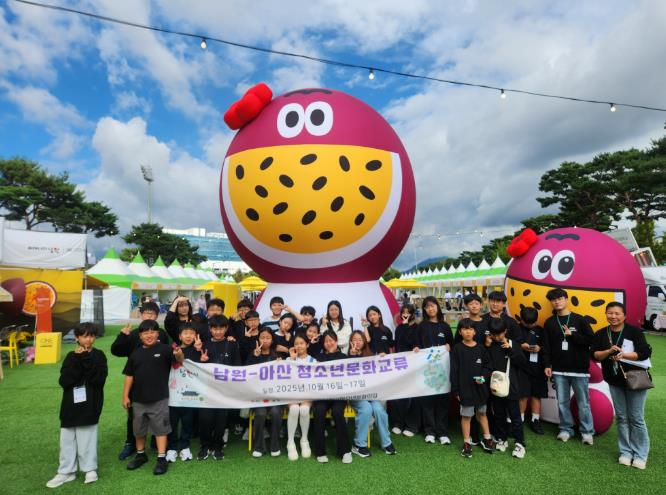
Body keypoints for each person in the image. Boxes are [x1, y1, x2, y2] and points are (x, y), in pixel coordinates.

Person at [46, 323, 108, 488]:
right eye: (84, 336)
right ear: (77, 338)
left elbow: (98, 379)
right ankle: (66, 471)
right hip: (70, 404)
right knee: (67, 439)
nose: (88, 339)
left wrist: (86, 358)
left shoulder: (99, 355)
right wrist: (77, 359)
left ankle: (89, 469)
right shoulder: (70, 356)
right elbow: (65, 381)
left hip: (91, 403)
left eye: (91, 336)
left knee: (87, 437)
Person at [592, 302, 652, 469]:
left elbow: (644, 352)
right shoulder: (601, 333)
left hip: (635, 379)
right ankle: (625, 452)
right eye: (610, 313)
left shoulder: (634, 332)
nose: (613, 316)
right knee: (622, 417)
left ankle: (640, 454)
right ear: (606, 314)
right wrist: (608, 352)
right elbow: (595, 355)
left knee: (636, 418)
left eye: (617, 313)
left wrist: (624, 355)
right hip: (614, 380)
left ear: (624, 316)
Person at [110, 302, 169, 461]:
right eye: (146, 313)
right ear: (141, 315)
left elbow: (168, 354)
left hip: (157, 380)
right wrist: (122, 336)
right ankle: (130, 443)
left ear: (156, 316)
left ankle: (156, 442)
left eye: (152, 314)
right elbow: (116, 351)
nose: (149, 316)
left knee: (157, 414)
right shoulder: (133, 333)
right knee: (134, 416)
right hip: (136, 379)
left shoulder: (162, 334)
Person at [122, 320, 178, 475]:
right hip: (138, 399)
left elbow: (179, 360)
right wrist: (125, 396)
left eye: (152, 332)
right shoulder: (135, 353)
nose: (149, 335)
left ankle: (161, 458)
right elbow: (129, 375)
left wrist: (179, 353)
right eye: (145, 332)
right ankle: (141, 455)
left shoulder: (166, 349)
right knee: (138, 430)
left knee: (160, 429)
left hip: (160, 398)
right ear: (140, 336)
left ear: (158, 334)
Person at [542, 288, 595, 445]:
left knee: (583, 403)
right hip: (559, 369)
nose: (557, 302)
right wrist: (547, 364)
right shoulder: (550, 322)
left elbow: (591, 340)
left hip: (579, 370)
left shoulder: (580, 320)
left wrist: (573, 335)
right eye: (553, 300)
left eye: (560, 298)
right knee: (562, 402)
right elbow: (546, 346)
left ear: (566, 299)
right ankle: (566, 429)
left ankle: (587, 432)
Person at [197, 315, 241, 460]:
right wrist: (201, 360)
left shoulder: (232, 344)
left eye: (221, 328)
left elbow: (237, 366)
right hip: (207, 389)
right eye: (215, 329)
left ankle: (218, 446)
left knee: (221, 420)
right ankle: (205, 446)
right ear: (210, 329)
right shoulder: (204, 345)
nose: (218, 332)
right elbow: (196, 368)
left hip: (224, 390)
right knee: (204, 418)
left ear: (226, 328)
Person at [348, 331, 396, 457]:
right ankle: (359, 445)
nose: (357, 342)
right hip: (356, 396)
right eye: (354, 339)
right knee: (366, 409)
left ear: (364, 341)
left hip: (371, 394)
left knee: (379, 410)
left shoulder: (370, 356)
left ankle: (386, 442)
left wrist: (383, 358)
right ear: (350, 342)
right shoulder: (346, 356)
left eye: (360, 339)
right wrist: (352, 356)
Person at [414, 296, 454, 445]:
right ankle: (430, 431)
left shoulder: (445, 326)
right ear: (424, 310)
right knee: (428, 401)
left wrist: (449, 347)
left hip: (442, 371)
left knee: (442, 401)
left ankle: (442, 432)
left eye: (433, 305)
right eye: (427, 307)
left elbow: (452, 345)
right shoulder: (421, 326)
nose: (431, 309)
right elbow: (416, 345)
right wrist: (416, 349)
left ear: (437, 307)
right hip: (427, 371)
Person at [485, 318, 528, 458]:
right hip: (496, 387)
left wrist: (510, 349)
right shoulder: (490, 345)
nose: (497, 337)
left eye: (499, 334)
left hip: (511, 387)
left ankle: (519, 443)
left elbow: (522, 363)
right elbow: (487, 364)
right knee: (499, 415)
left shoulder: (512, 344)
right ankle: (502, 439)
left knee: (515, 416)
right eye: (494, 334)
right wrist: (487, 346)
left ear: (505, 331)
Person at [451, 318, 493, 458]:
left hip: (481, 389)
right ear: (460, 332)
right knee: (466, 416)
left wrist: (483, 377)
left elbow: (488, 366)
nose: (468, 332)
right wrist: (456, 390)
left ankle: (487, 439)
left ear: (474, 332)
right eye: (465, 329)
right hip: (465, 390)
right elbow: (453, 371)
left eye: (470, 329)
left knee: (482, 414)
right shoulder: (457, 349)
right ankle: (467, 443)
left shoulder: (481, 348)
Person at [312, 330, 353, 464]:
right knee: (319, 411)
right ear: (323, 344)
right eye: (326, 341)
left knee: (337, 412)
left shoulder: (344, 357)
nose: (329, 343)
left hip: (339, 395)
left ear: (336, 341)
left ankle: (345, 451)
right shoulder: (318, 357)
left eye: (331, 340)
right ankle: (320, 451)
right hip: (322, 394)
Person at [166, 322, 202, 463]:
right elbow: (175, 362)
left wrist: (200, 351)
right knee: (172, 421)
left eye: (191, 333)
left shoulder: (198, 349)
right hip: (173, 394)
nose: (188, 336)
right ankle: (171, 447)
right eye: (185, 333)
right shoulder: (173, 350)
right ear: (180, 336)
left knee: (187, 422)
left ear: (196, 336)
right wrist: (177, 354)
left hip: (191, 393)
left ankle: (185, 446)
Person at [246, 328, 283, 457]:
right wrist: (254, 357)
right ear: (258, 339)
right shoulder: (253, 354)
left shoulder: (278, 356)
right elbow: (246, 372)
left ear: (272, 340)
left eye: (268, 338)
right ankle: (259, 447)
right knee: (260, 414)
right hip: (258, 395)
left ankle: (275, 445)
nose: (265, 340)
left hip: (275, 395)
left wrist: (281, 364)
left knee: (276, 412)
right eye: (262, 337)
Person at [389, 304, 420, 435]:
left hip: (413, 366)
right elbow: (397, 344)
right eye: (403, 312)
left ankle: (411, 426)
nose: (405, 314)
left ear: (413, 314)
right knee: (398, 394)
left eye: (408, 312)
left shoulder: (417, 328)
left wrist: (406, 326)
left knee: (412, 396)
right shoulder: (399, 328)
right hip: (399, 365)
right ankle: (398, 423)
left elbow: (412, 342)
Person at [517, 307, 547, 434]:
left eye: (532, 323)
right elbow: (509, 344)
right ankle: (519, 420)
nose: (530, 325)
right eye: (527, 323)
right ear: (521, 319)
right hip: (521, 367)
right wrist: (520, 346)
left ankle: (535, 420)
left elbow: (547, 347)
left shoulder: (541, 330)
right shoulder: (516, 329)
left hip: (538, 368)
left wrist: (540, 348)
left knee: (536, 395)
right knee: (522, 395)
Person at [286, 334, 315, 461]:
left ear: (307, 344)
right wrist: (292, 360)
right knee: (294, 409)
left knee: (304, 410)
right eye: (296, 343)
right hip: (291, 394)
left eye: (302, 343)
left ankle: (304, 440)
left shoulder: (313, 361)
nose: (299, 346)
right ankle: (290, 442)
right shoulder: (288, 359)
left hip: (307, 394)